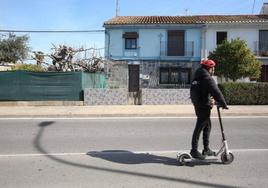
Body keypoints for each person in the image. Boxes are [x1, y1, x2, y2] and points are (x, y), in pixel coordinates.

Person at [190, 59, 228, 160]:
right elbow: (216, 91)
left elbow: (203, 91)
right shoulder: (207, 78)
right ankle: (194, 150)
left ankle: (206, 149)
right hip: (203, 106)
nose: (213, 70)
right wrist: (223, 103)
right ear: (210, 68)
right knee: (199, 127)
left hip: (198, 105)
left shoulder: (197, 76)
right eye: (213, 68)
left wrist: (211, 99)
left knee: (207, 126)